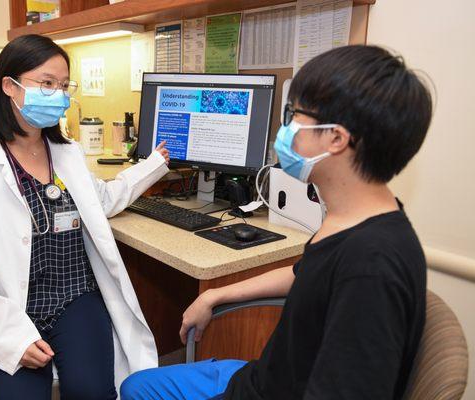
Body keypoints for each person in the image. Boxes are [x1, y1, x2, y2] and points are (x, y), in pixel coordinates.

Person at [120, 44, 433, 400]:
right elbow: (307, 274)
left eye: (295, 115)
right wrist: (217, 294)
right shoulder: (355, 219)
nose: (285, 128)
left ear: (335, 139)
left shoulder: (373, 265)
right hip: (262, 378)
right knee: (134, 386)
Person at [0, 34, 170, 400]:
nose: (58, 94)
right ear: (10, 86)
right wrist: (11, 337)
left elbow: (100, 199)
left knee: (92, 391)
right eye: (46, 83)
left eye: (62, 85)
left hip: (76, 296)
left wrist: (152, 167)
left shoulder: (66, 154)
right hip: (11, 305)